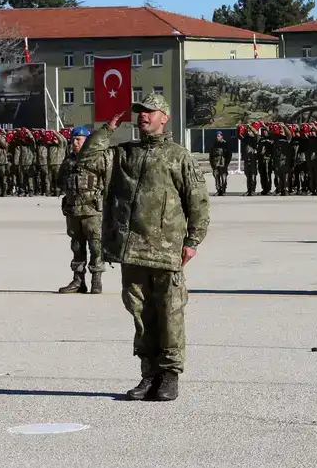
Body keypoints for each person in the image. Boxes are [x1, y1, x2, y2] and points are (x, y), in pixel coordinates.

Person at [81, 93, 210, 402]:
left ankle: (169, 375)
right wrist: (107, 128)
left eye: (149, 112)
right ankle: (148, 374)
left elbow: (198, 202)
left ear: (164, 117)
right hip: (132, 250)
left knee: (170, 313)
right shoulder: (123, 154)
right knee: (140, 313)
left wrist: (193, 241)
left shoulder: (178, 156)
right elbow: (85, 161)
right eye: (139, 112)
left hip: (167, 250)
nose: (142, 116)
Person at [56, 126, 110, 294]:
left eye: (78, 139)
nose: (75, 142)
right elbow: (60, 181)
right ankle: (78, 281)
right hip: (73, 211)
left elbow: (109, 182)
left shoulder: (97, 159)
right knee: (77, 246)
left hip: (92, 211)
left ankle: (96, 280)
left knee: (96, 247)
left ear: (87, 141)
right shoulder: (69, 161)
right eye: (73, 139)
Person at [209, 131, 231, 196]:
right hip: (215, 163)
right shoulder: (214, 143)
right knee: (216, 177)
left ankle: (223, 190)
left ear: (221, 136)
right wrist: (211, 163)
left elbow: (229, 154)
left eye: (219, 136)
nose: (217, 137)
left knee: (223, 177)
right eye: (217, 136)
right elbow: (211, 155)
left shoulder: (225, 143)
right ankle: (218, 190)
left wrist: (227, 163)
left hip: (223, 163)